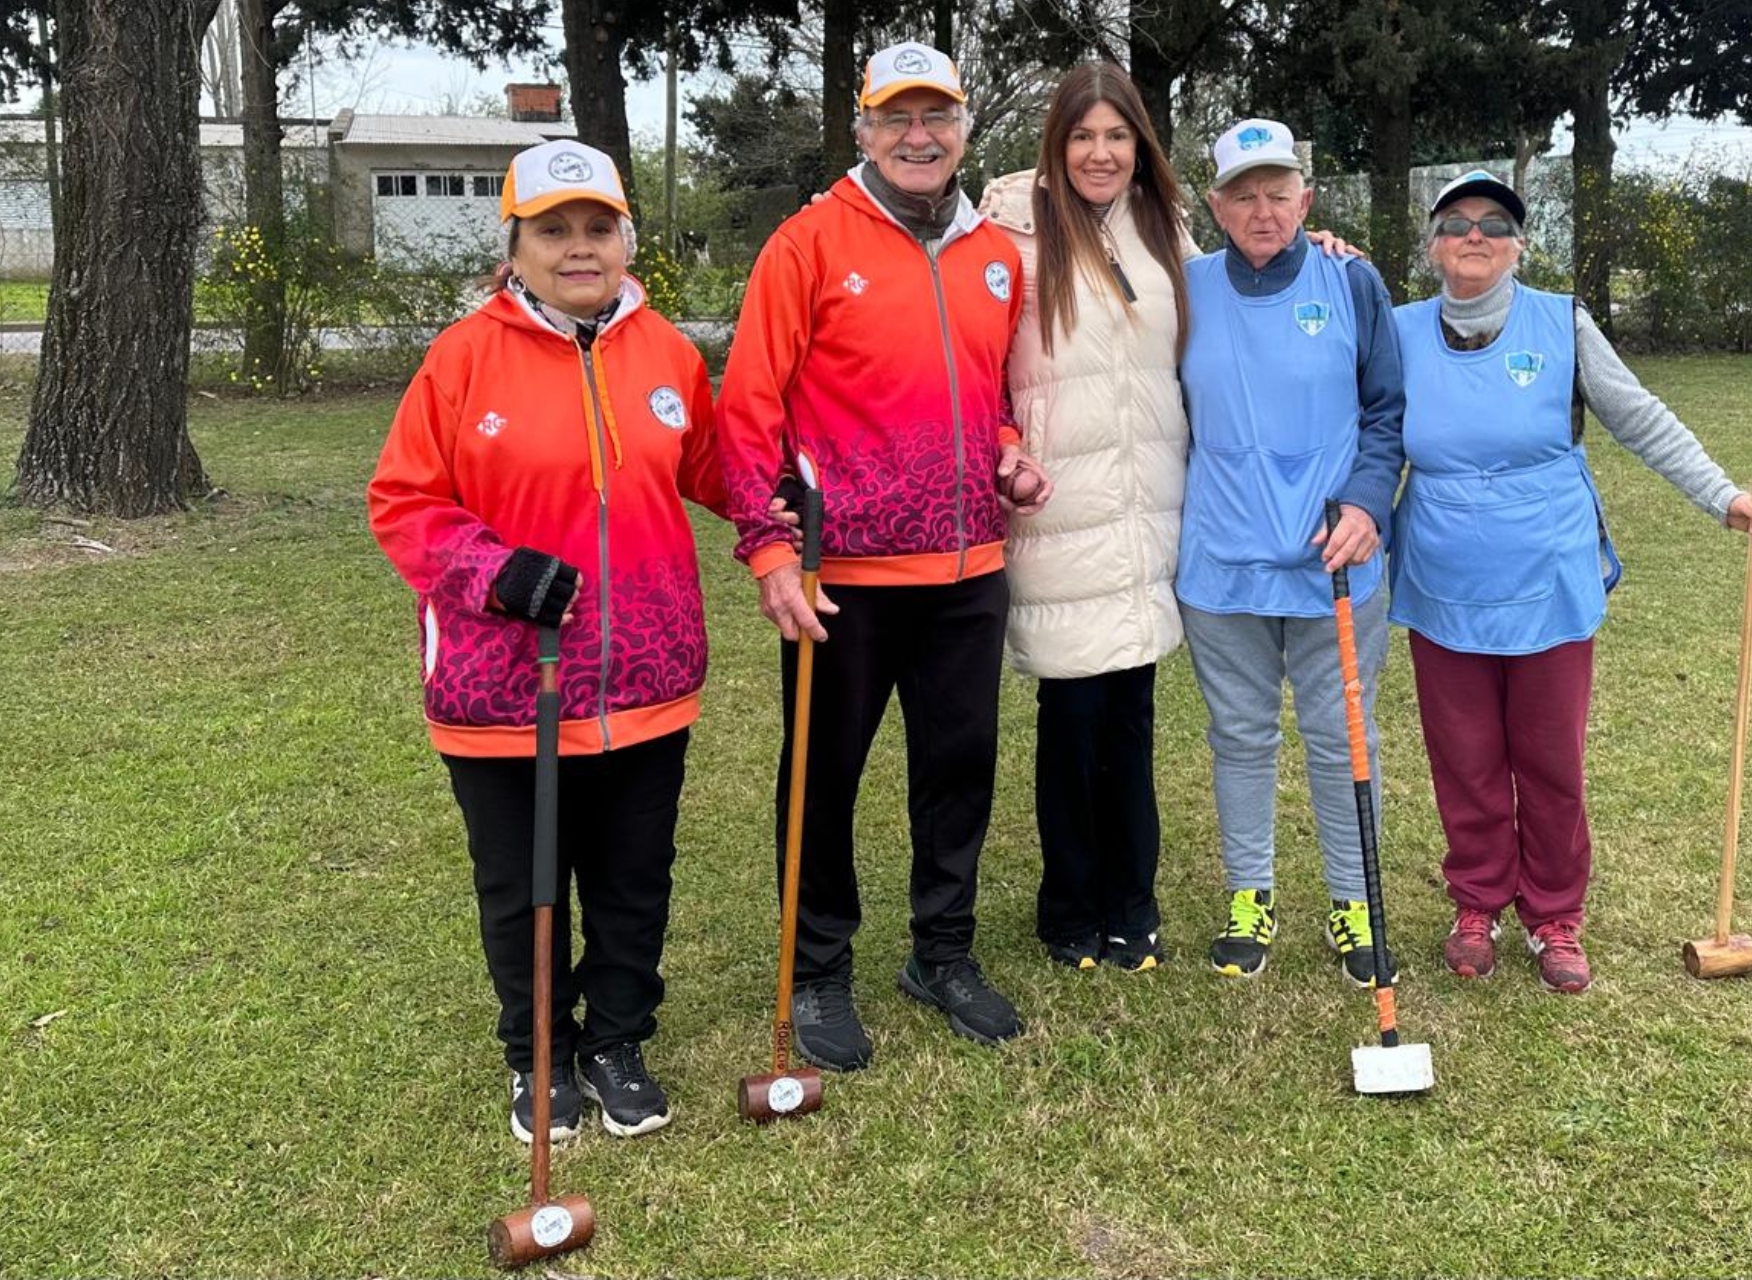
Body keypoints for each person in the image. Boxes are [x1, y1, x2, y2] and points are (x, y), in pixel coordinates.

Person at [367, 140, 731, 1141]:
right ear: (516, 245)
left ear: (626, 236)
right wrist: (498, 571)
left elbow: (713, 466)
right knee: (525, 885)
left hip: (648, 679)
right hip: (505, 691)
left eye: (597, 227)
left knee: (632, 876)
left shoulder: (666, 350)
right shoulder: (462, 357)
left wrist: (781, 494)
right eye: (554, 230)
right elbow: (402, 503)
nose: (580, 248)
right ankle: (540, 1054)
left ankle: (618, 1036)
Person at [718, 40, 1050, 1072]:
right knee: (823, 778)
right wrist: (769, 550)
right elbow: (748, 407)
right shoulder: (808, 244)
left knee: (958, 770)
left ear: (962, 131)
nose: (919, 136)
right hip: (841, 577)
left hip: (967, 570)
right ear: (863, 130)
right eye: (897, 118)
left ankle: (940, 953)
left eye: (937, 117)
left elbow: (989, 397)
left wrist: (1006, 456)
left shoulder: (995, 252)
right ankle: (818, 969)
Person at [1390, 169, 1752, 993]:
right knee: (1464, 759)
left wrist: (1723, 496)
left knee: (1549, 760)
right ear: (1431, 246)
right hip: (1442, 583)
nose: (1475, 235)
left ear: (1520, 244)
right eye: (1456, 222)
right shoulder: (1395, 332)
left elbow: (1638, 415)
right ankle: (1477, 903)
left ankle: (1555, 916)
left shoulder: (1561, 322)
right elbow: (1358, 433)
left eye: (1495, 223)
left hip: (1550, 580)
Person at [1177, 119, 1407, 987]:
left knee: (1343, 736)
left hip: (1334, 561)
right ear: (1216, 205)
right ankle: (1250, 896)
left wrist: (1365, 503)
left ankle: (1355, 905)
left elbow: (1387, 412)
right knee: (1238, 736)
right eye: (1244, 193)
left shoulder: (1352, 281)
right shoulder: (1185, 287)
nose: (1263, 209)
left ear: (1306, 200)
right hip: (1221, 564)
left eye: (1279, 192)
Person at [975, 64, 1192, 973]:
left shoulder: (1165, 230)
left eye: (1117, 136)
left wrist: (1324, 250)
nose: (1100, 154)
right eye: (1082, 136)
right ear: (1055, 146)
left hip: (1148, 508)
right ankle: (1068, 906)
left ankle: (1130, 903)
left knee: (1131, 717)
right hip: (1059, 511)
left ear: (1140, 144)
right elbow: (977, 369)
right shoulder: (1008, 238)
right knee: (1072, 718)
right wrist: (1003, 449)